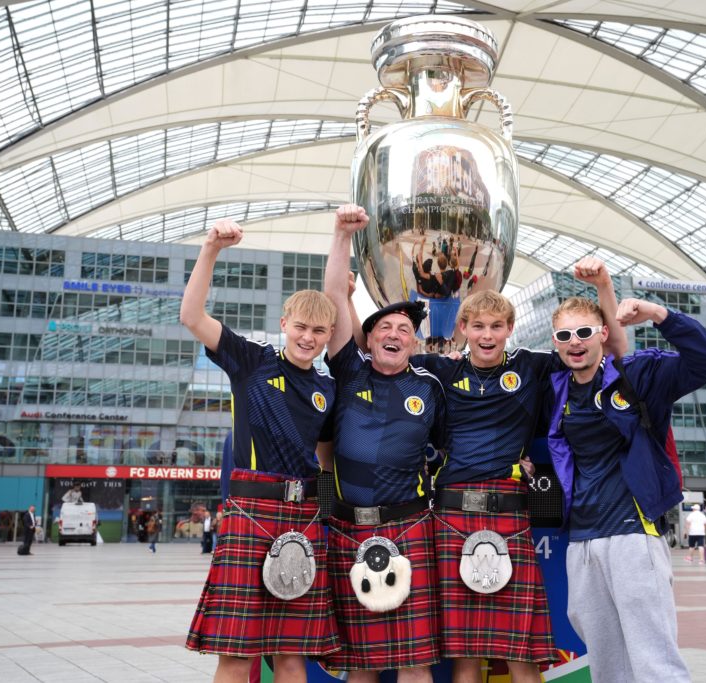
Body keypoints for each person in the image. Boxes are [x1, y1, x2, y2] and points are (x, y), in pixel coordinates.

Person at [406, 257, 625, 683]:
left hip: (511, 512)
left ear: (510, 329)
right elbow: (369, 360)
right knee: (465, 651)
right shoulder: (439, 370)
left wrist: (604, 287)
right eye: (479, 326)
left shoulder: (533, 365)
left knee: (521, 649)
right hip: (451, 514)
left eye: (496, 326)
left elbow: (610, 349)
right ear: (463, 329)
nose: (487, 335)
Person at [183, 218, 341, 683]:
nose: (308, 337)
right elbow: (192, 317)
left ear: (330, 334)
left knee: (292, 656)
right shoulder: (252, 360)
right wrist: (211, 248)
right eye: (301, 327)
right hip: (250, 509)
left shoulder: (329, 390)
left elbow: (326, 459)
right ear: (284, 324)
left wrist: (328, 514)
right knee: (235, 654)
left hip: (305, 517)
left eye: (319, 330)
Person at [547, 296, 706, 683]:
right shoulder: (556, 389)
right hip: (582, 541)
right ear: (555, 342)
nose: (575, 342)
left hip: (632, 534)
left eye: (584, 332)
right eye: (565, 334)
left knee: (654, 660)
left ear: (603, 334)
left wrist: (661, 315)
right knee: (607, 666)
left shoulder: (638, 375)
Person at [323, 204, 445, 682]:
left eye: (405, 331)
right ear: (367, 340)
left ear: (414, 344)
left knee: (413, 661)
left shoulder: (430, 389)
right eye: (385, 329)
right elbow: (334, 293)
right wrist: (340, 235)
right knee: (360, 664)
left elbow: (446, 449)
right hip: (349, 527)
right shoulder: (349, 370)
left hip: (408, 526)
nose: (395, 334)